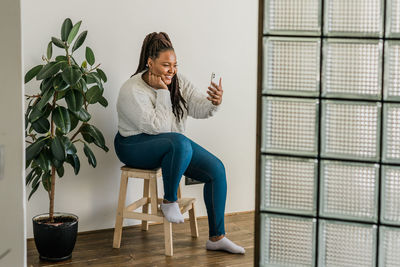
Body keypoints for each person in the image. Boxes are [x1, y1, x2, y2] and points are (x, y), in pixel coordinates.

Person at [114, 32, 245, 254]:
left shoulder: (179, 81)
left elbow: (197, 107)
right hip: (133, 146)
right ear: (150, 62)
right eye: (166, 65)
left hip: (173, 146)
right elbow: (158, 128)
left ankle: (216, 237)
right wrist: (163, 93)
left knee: (216, 169)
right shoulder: (132, 90)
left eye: (174, 65)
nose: (172, 70)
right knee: (180, 142)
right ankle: (169, 201)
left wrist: (214, 102)